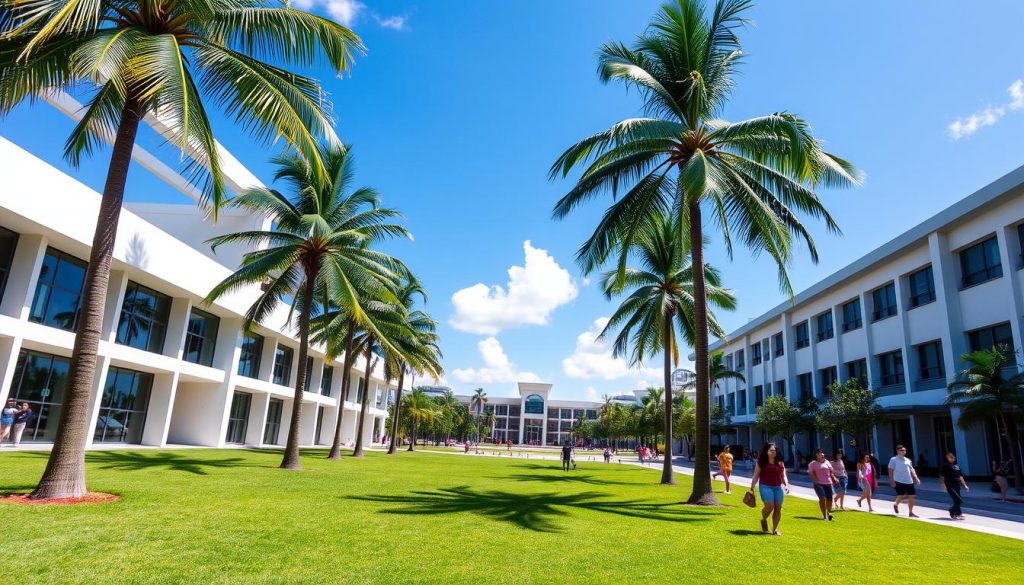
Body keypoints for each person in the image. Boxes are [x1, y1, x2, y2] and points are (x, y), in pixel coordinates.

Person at [748, 442, 790, 536]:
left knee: (778, 507)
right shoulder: (761, 462)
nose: (773, 452)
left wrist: (786, 485)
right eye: (771, 450)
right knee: (770, 506)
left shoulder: (780, 463)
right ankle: (764, 519)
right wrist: (752, 486)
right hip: (765, 486)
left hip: (778, 488)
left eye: (775, 451)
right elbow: (756, 476)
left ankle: (775, 530)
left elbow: (783, 476)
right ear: (766, 451)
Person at [888, 445, 921, 517]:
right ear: (898, 451)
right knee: (901, 495)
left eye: (904, 450)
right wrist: (891, 480)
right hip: (898, 480)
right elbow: (890, 470)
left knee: (912, 496)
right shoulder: (893, 459)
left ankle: (910, 512)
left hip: (909, 480)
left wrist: (916, 478)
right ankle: (896, 504)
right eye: (902, 450)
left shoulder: (908, 460)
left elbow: (912, 469)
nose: (904, 452)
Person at [807, 449, 838, 520]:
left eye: (822, 454)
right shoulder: (813, 463)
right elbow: (811, 473)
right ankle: (824, 516)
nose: (821, 455)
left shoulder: (827, 462)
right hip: (819, 484)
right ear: (816, 455)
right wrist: (815, 480)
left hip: (828, 483)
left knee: (830, 499)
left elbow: (831, 472)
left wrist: (834, 478)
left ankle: (829, 513)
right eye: (819, 454)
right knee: (822, 498)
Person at [939, 451, 970, 519]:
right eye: (951, 457)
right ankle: (955, 512)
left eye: (953, 457)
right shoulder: (945, 465)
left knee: (956, 500)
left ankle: (955, 512)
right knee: (958, 499)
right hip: (950, 485)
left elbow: (960, 476)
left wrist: (964, 485)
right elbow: (942, 476)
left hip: (957, 484)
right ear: (947, 457)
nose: (953, 458)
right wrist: (943, 484)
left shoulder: (956, 466)